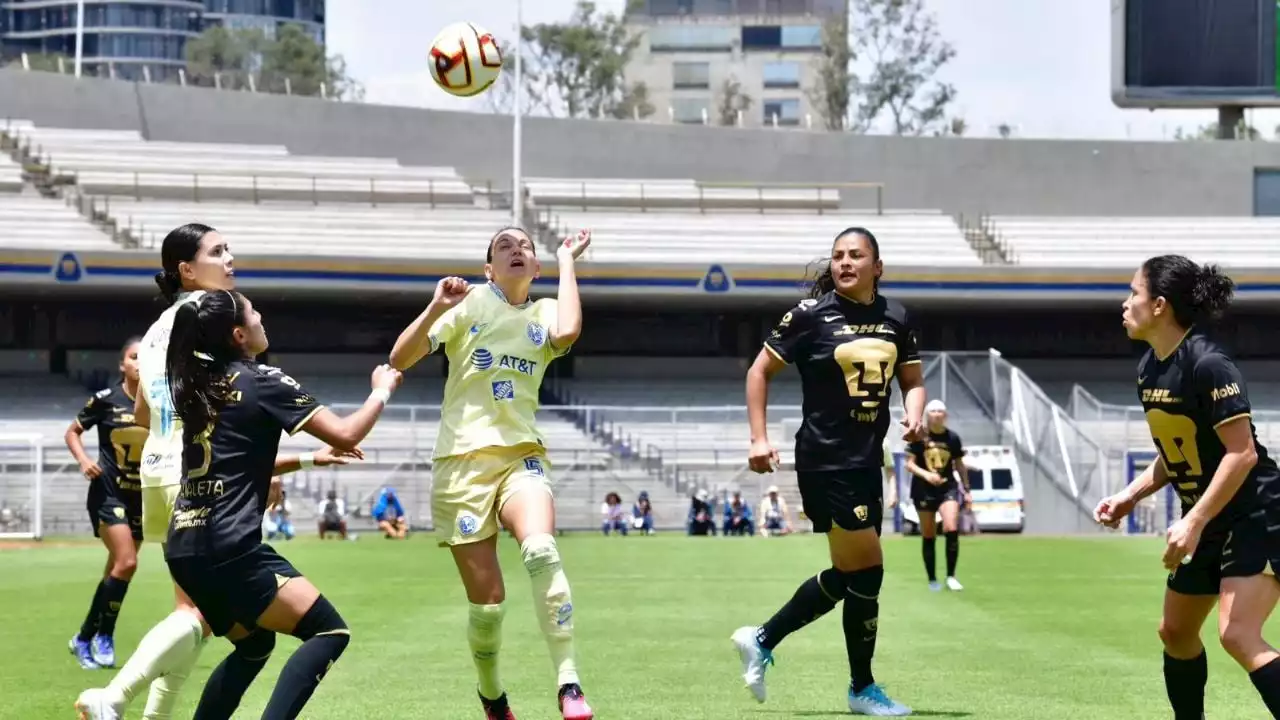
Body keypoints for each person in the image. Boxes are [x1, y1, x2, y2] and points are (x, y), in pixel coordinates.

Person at [74, 225, 355, 720]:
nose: (230, 259)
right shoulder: (206, 317)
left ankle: (143, 711)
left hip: (165, 468)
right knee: (196, 615)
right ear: (187, 269)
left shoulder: (163, 323)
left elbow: (143, 414)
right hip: (196, 475)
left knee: (219, 625)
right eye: (218, 252)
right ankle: (111, 698)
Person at [162, 289, 401, 719]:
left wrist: (309, 459)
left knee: (254, 645)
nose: (261, 317)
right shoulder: (264, 380)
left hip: (184, 546)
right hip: (228, 546)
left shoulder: (199, 386)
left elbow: (237, 460)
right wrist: (381, 392)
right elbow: (347, 432)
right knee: (329, 630)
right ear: (239, 334)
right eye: (254, 313)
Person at [389, 226, 594, 720]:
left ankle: (568, 682)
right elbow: (399, 357)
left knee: (541, 548)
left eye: (524, 246)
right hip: (460, 464)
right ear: (488, 269)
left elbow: (567, 331)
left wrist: (567, 259)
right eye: (504, 246)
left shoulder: (545, 312)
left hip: (520, 455)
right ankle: (492, 694)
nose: (516, 250)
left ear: (536, 267)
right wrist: (437, 306)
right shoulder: (470, 302)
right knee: (488, 606)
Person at [731, 227, 925, 716]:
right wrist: (758, 438)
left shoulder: (897, 318)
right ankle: (861, 689)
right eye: (838, 255)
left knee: (852, 574)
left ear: (877, 266)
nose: (844, 263)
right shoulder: (809, 317)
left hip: (867, 461)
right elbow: (759, 371)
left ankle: (762, 638)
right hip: (825, 460)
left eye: (855, 255)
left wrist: (915, 413)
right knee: (869, 570)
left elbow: (914, 379)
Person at [1095, 255, 1280, 719]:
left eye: (1133, 293)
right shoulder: (1149, 369)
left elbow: (1242, 453)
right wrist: (1128, 496)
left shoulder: (1209, 363)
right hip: (1210, 519)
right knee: (1174, 632)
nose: (1125, 303)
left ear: (1159, 305)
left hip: (1253, 512)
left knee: (1237, 634)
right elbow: (1179, 448)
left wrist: (1193, 520)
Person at [65, 337, 146, 669]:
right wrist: (84, 460)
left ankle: (82, 638)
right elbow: (72, 431)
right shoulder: (106, 400)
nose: (140, 362)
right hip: (108, 493)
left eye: (146, 357)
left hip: (142, 497)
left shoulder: (159, 405)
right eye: (134, 357)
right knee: (126, 563)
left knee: (116, 570)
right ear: (122, 365)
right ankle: (102, 635)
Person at [905, 399, 969, 592]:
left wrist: (966, 488)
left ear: (945, 415)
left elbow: (959, 464)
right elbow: (909, 464)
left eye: (940, 411)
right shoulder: (919, 437)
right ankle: (932, 579)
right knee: (929, 533)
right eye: (933, 411)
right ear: (927, 415)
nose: (937, 414)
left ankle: (951, 576)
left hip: (947, 487)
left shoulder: (953, 438)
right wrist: (927, 475)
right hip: (923, 489)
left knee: (951, 527)